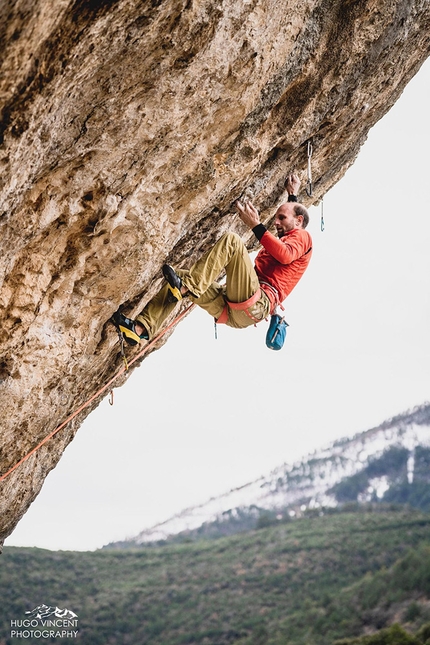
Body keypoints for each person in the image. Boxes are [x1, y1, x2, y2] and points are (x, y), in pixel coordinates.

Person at [112, 173, 312, 345]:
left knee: (233, 242)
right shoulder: (292, 235)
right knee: (180, 275)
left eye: (281, 219)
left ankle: (188, 286)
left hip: (255, 303)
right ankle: (139, 329)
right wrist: (292, 193)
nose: (275, 222)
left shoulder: (303, 237)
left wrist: (255, 225)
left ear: (299, 221)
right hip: (237, 310)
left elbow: (285, 254)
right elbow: (291, 221)